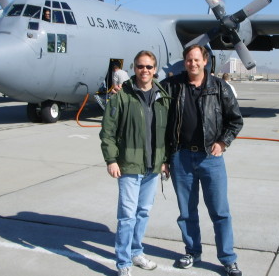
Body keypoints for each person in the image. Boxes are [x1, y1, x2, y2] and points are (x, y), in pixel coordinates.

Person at [161, 45, 244, 276]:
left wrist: (223, 142)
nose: (192, 64)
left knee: (220, 211)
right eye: (188, 60)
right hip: (181, 157)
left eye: (196, 60)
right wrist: (165, 157)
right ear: (184, 61)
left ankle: (228, 258)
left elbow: (235, 120)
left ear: (205, 61)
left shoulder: (219, 87)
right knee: (187, 211)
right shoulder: (173, 86)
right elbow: (155, 111)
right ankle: (192, 251)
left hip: (210, 157)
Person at [100, 50, 171, 276]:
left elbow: (167, 133)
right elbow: (107, 131)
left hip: (153, 166)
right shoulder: (121, 96)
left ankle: (136, 251)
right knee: (127, 215)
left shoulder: (162, 97)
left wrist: (165, 160)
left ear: (155, 69)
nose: (145, 71)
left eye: (149, 67)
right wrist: (111, 159)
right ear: (134, 68)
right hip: (129, 165)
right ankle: (123, 263)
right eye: (141, 66)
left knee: (143, 212)